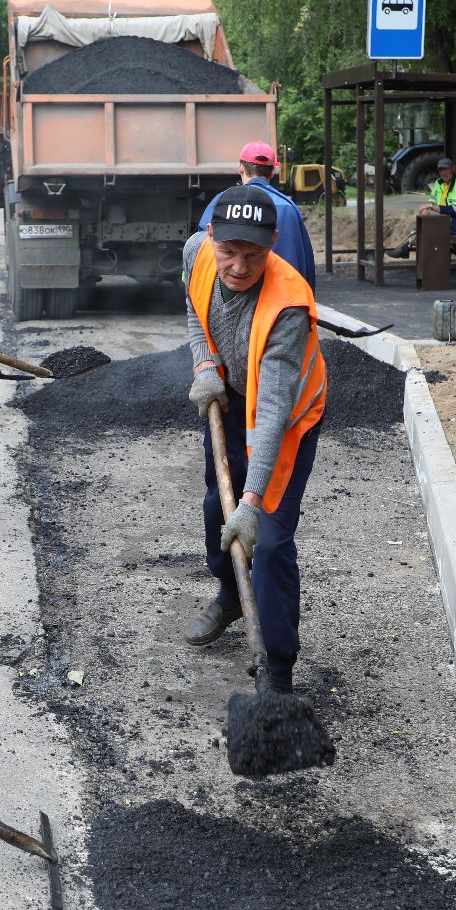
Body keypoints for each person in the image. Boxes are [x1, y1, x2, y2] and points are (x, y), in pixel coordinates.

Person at [179, 185, 327, 696]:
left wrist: (252, 502)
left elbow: (271, 415)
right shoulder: (197, 253)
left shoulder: (287, 305)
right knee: (213, 510)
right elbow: (195, 306)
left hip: (286, 416)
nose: (239, 266)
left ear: (273, 245)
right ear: (212, 237)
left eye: (254, 255)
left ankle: (278, 674)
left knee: (268, 539)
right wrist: (204, 363)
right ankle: (228, 596)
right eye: (229, 251)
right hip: (232, 393)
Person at [196, 141, 316, 287]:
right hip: (279, 300)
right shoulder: (289, 208)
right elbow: (305, 263)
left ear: (241, 168)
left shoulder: (221, 202)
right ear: (273, 171)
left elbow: (201, 253)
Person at [388, 155, 456, 259]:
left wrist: (430, 206)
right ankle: (410, 249)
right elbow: (432, 201)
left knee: (427, 225)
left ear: (453, 169)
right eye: (441, 170)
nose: (444, 173)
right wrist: (427, 208)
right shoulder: (439, 183)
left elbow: (454, 209)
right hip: (444, 217)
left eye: (446, 169)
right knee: (425, 215)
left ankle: (408, 248)